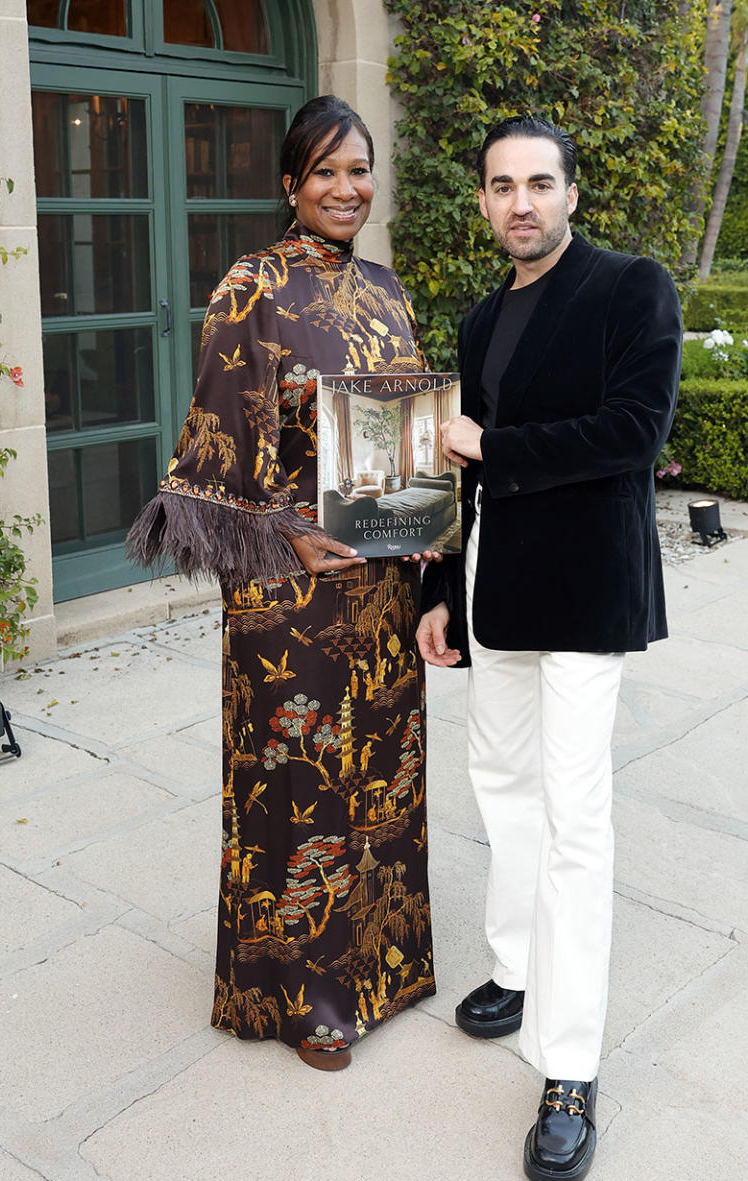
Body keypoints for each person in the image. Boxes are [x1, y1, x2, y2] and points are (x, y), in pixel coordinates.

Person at [129, 96, 436, 1071]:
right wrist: (290, 534)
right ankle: (301, 996)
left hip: (382, 582)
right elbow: (210, 457)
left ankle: (384, 963)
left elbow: (404, 430)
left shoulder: (388, 289)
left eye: (359, 169)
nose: (346, 189)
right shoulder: (251, 286)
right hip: (289, 588)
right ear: (290, 185)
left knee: (381, 777)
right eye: (325, 172)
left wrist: (424, 515)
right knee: (298, 784)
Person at [416, 115, 682, 1181]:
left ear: (571, 194)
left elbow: (636, 432)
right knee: (502, 788)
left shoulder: (631, 287)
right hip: (497, 593)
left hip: (585, 597)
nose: (520, 201)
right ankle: (521, 969)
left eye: (539, 182)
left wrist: (498, 444)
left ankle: (569, 1068)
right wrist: (439, 586)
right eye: (501, 185)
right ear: (483, 203)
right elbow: (456, 471)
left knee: (576, 819)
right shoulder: (483, 322)